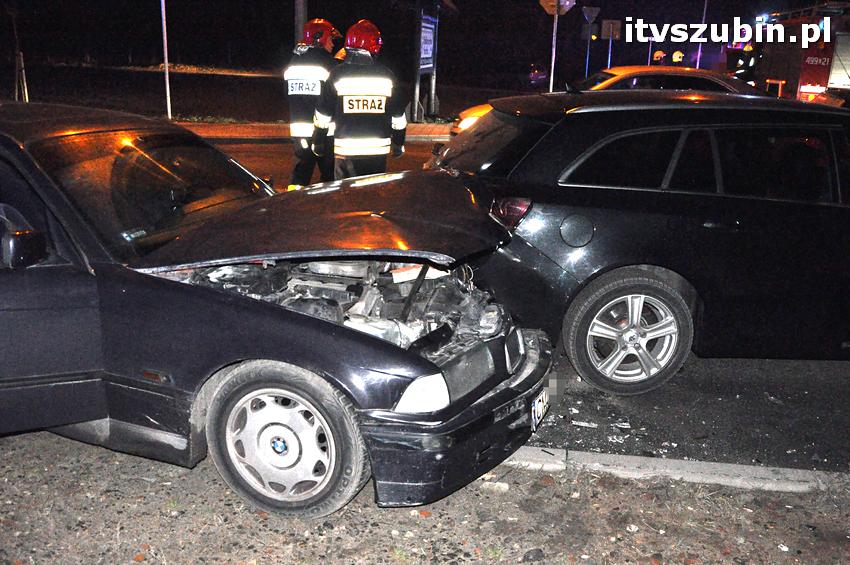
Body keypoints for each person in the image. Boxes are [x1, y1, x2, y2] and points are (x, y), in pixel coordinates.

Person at [311, 19, 407, 180]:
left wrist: (318, 141)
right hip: (377, 153)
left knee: (345, 199)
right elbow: (398, 117)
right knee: (372, 196)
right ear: (374, 46)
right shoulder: (387, 76)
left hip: (345, 152)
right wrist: (398, 143)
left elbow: (323, 114)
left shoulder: (337, 75)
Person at [283, 18, 340, 188]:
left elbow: (287, 95)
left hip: (300, 132)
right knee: (330, 178)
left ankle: (292, 207)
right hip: (325, 134)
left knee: (299, 176)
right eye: (330, 39)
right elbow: (335, 98)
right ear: (320, 38)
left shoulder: (293, 63)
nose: (332, 44)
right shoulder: (329, 64)